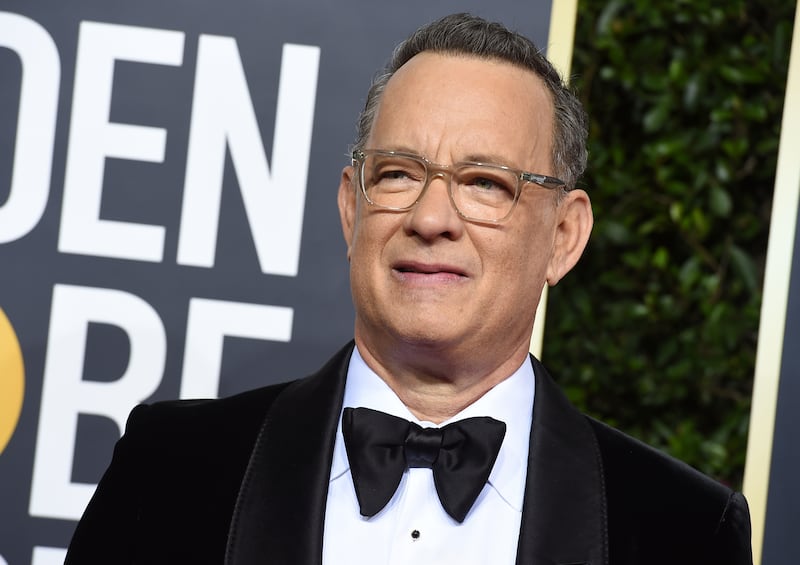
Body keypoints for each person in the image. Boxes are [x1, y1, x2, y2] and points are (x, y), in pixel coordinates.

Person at [65, 13, 753, 565]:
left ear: (564, 237)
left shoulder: (684, 532)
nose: (430, 218)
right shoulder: (170, 471)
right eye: (397, 173)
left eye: (486, 183)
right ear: (351, 208)